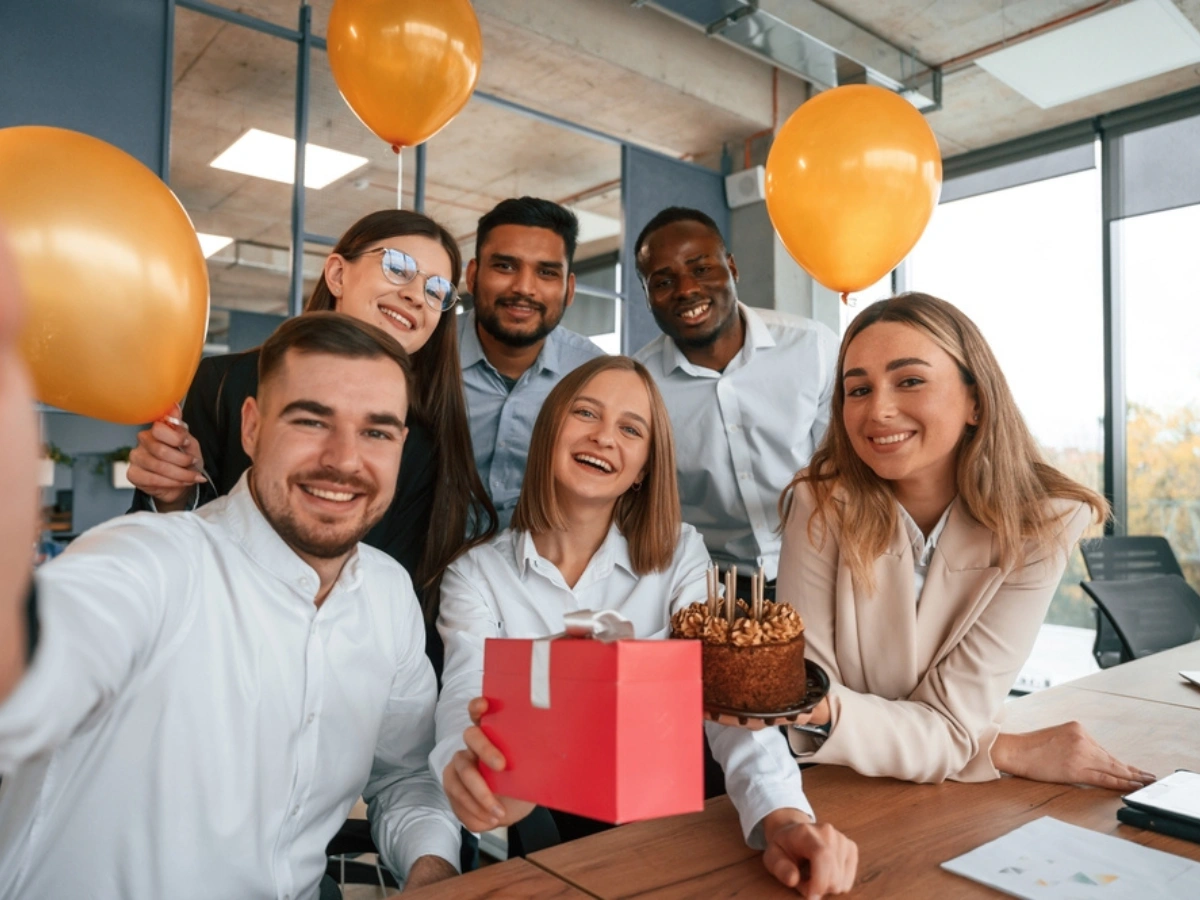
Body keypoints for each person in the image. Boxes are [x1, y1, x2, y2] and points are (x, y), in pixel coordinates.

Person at [0, 313, 461, 898]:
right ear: (251, 427)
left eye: (377, 432)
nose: (345, 460)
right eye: (312, 420)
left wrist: (432, 867)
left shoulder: (389, 592)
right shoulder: (158, 558)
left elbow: (405, 774)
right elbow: (39, 663)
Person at [432, 356, 858, 897]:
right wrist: (463, 764)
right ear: (549, 432)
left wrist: (784, 816)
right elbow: (465, 693)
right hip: (560, 836)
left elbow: (727, 702)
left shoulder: (680, 553)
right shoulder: (476, 573)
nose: (604, 437)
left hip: (689, 820)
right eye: (586, 413)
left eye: (630, 429)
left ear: (643, 470)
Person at [778, 292, 1155, 791]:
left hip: (940, 803)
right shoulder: (819, 502)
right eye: (858, 390)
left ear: (975, 400)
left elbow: (949, 725)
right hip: (833, 788)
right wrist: (1005, 748)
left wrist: (848, 717)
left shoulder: (1042, 524)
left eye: (909, 381)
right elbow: (804, 707)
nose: (879, 410)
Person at [128, 209, 496, 635]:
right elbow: (178, 536)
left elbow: (400, 592)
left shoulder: (427, 439)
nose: (417, 295)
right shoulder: (226, 382)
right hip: (216, 629)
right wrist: (170, 494)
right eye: (398, 267)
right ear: (338, 274)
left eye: (437, 290)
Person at [633, 206, 837, 601]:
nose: (687, 289)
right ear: (647, 297)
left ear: (732, 268)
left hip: (823, 570)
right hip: (710, 588)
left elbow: (847, 469)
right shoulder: (637, 384)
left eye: (702, 268)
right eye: (663, 281)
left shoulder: (813, 347)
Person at [459, 197, 605, 530]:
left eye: (546, 272)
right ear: (472, 276)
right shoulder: (424, 356)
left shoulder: (595, 374)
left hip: (541, 568)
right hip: (423, 564)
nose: (524, 288)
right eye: (505, 266)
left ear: (569, 289)